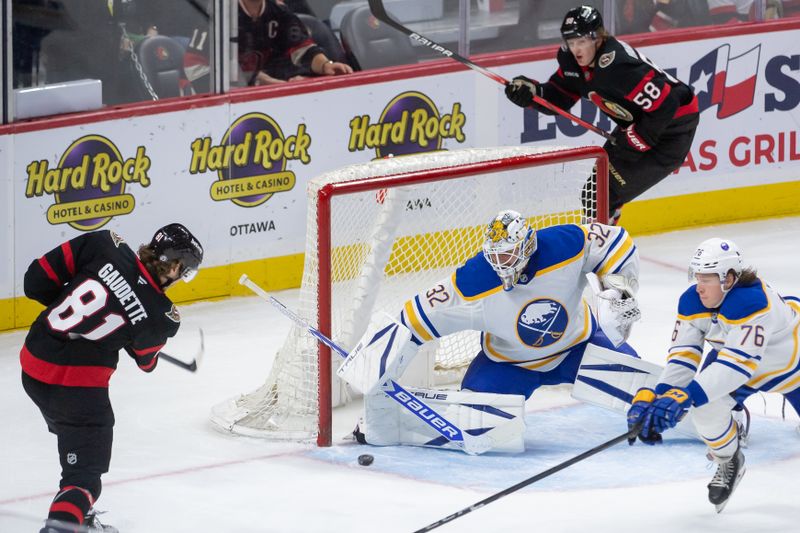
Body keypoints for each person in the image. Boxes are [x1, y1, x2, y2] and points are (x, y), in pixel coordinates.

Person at [338, 210, 643, 453]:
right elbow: (413, 318)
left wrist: (617, 288)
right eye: (495, 257)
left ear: (527, 245)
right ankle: (393, 424)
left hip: (579, 347)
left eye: (508, 256)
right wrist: (373, 365)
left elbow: (618, 243)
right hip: (509, 366)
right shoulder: (474, 281)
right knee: (476, 426)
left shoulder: (566, 243)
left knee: (642, 387)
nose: (500, 265)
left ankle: (679, 402)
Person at [21, 224, 203, 533]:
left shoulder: (104, 244)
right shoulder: (162, 315)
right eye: (183, 270)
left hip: (33, 364)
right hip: (77, 393)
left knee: (74, 443)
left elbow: (35, 281)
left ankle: (79, 513)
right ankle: (64, 522)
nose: (180, 277)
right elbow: (146, 362)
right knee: (84, 478)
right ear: (173, 265)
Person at [626, 237, 800, 512]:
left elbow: (735, 368)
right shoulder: (693, 301)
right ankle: (729, 459)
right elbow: (683, 357)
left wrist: (685, 397)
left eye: (706, 278)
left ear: (729, 279)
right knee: (705, 411)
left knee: (699, 397)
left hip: (791, 365)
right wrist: (658, 397)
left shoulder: (752, 302)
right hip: (741, 363)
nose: (699, 285)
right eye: (697, 276)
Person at [504, 5, 699, 225]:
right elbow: (559, 97)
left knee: (601, 197)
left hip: (673, 132)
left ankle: (607, 249)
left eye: (582, 42)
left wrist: (636, 141)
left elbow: (667, 104)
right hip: (640, 123)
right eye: (571, 42)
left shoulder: (618, 66)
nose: (576, 49)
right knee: (595, 195)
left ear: (597, 38)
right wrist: (532, 94)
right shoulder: (573, 62)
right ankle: (605, 243)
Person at [238, 0, 352, 85]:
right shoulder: (224, 16)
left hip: (280, 83)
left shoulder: (279, 11)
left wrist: (325, 65)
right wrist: (273, 83)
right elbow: (232, 69)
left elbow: (302, 47)